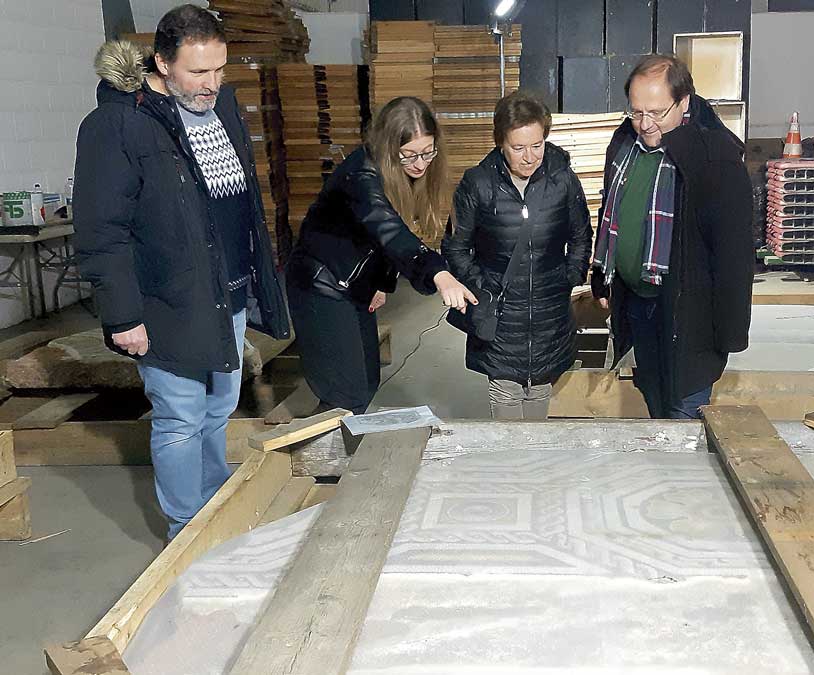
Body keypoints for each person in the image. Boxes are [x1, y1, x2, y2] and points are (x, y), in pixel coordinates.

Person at [74, 5, 290, 539]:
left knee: (220, 408)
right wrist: (123, 316)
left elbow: (240, 207)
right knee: (180, 417)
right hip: (166, 302)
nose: (211, 83)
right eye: (198, 72)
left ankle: (215, 508)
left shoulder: (224, 106)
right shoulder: (119, 124)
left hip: (228, 296)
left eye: (219, 69)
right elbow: (103, 233)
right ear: (163, 62)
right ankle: (185, 532)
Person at [589, 55, 754, 419]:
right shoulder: (624, 146)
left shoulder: (713, 159)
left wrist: (729, 334)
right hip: (639, 306)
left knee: (684, 411)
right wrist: (602, 279)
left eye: (657, 113)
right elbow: (610, 214)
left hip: (688, 318)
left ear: (684, 102)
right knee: (655, 401)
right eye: (636, 112)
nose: (645, 124)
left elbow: (735, 256)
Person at [287, 96, 476, 414]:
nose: (420, 163)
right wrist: (438, 273)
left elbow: (385, 234)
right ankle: (325, 461)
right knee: (343, 393)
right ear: (389, 149)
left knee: (366, 381)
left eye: (428, 152)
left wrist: (382, 283)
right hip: (322, 284)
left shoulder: (400, 173)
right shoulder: (362, 176)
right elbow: (389, 230)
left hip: (351, 282)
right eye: (409, 155)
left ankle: (341, 453)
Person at [442, 91, 593, 419]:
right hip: (500, 314)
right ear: (500, 143)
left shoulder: (563, 180)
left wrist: (566, 278)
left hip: (549, 311)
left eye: (536, 145)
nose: (530, 157)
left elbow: (581, 237)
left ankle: (531, 463)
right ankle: (510, 465)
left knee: (541, 387)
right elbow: (455, 247)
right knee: (506, 394)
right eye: (518, 147)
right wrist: (483, 286)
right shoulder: (477, 184)